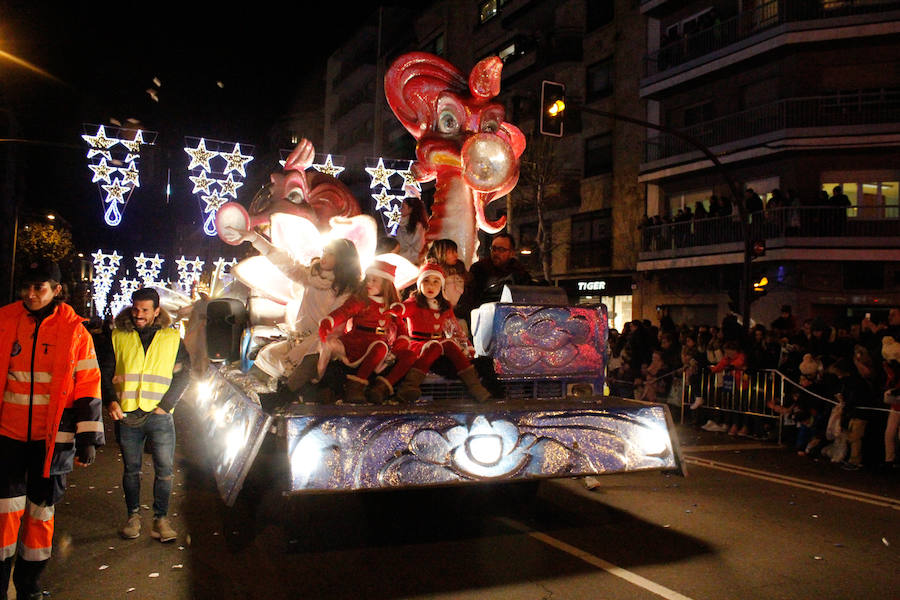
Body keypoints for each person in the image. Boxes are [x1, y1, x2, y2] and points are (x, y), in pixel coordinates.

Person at [0, 260, 104, 600]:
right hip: (8, 440)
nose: (30, 294)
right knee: (4, 515)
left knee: (40, 516)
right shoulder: (4, 320)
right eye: (26, 287)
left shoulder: (75, 332)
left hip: (51, 444)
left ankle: (29, 588)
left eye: (39, 288)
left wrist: (89, 436)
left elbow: (87, 384)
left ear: (57, 290)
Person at [100, 288, 191, 543]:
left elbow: (185, 373)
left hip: (159, 414)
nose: (138, 314)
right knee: (132, 470)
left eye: (145, 310)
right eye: (135, 309)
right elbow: (105, 370)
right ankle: (133, 518)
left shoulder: (172, 338)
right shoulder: (118, 336)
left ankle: (160, 520)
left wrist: (167, 404)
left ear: (157, 311)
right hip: (127, 414)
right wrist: (110, 401)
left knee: (164, 471)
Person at [373, 263, 491, 404]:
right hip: (419, 343)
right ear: (420, 284)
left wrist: (467, 347)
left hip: (440, 342)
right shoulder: (415, 302)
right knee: (434, 346)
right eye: (426, 281)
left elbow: (454, 327)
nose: (431, 286)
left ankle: (476, 387)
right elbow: (404, 308)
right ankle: (409, 386)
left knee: (448, 344)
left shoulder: (445, 305)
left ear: (441, 285)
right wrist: (396, 308)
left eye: (436, 282)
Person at [317, 260, 401, 403]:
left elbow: (400, 325)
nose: (369, 283)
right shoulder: (361, 300)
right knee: (329, 344)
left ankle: (357, 386)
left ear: (387, 283)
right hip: (356, 342)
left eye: (374, 280)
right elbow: (344, 312)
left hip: (379, 346)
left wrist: (402, 341)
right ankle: (326, 382)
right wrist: (329, 321)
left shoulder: (393, 305)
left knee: (381, 347)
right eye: (368, 279)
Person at [457, 232, 533, 322]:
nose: (496, 253)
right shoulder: (479, 269)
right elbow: (470, 299)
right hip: (483, 317)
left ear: (511, 252)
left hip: (511, 318)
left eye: (501, 250)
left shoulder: (519, 272)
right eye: (494, 249)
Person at [395, 197, 428, 264]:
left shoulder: (418, 227)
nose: (400, 210)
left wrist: (400, 257)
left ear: (411, 209)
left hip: (410, 262)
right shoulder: (402, 225)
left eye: (403, 207)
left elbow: (418, 248)